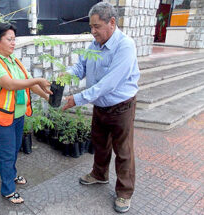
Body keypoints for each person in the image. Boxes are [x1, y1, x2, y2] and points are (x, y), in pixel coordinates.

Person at [62, 2, 140, 213]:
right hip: (101, 106)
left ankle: (124, 192)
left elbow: (109, 83)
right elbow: (80, 67)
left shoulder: (125, 46)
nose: (92, 31)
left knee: (123, 151)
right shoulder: (94, 45)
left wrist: (77, 99)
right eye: (91, 26)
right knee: (100, 143)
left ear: (112, 22)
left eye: (96, 26)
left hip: (121, 107)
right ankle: (99, 175)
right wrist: (65, 74)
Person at [0, 22, 52, 204]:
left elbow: (28, 83)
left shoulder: (14, 60)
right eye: (9, 39)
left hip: (17, 115)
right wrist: (38, 79)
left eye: (14, 39)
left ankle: (11, 176)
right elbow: (10, 84)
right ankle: (8, 190)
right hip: (0, 117)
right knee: (6, 153)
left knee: (13, 150)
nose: (13, 43)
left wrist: (47, 96)